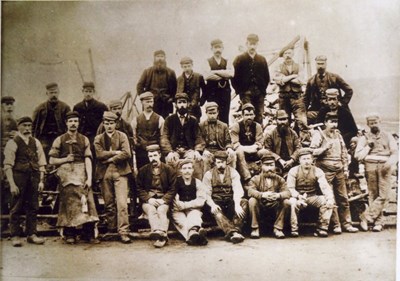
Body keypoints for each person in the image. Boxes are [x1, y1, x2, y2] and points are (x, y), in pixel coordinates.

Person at [49, 111, 99, 244]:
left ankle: (87, 233)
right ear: (66, 123)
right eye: (71, 121)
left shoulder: (84, 139)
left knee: (87, 199)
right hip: (66, 172)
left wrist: (89, 178)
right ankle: (69, 232)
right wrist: (65, 159)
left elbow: (88, 159)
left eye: (76, 121)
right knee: (69, 199)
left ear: (79, 123)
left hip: (81, 170)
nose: (73, 124)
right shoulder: (60, 139)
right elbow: (52, 160)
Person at [310, 113, 359, 234]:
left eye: (335, 122)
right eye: (331, 122)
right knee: (330, 198)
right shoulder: (319, 134)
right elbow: (312, 152)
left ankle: (347, 224)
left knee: (343, 197)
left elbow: (343, 152)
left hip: (339, 170)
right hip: (325, 171)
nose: (334, 124)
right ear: (325, 122)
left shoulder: (338, 135)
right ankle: (336, 225)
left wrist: (346, 168)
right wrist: (324, 148)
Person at [3, 116, 46, 247]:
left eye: (29, 126)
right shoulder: (13, 143)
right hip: (19, 178)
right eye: (24, 125)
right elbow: (8, 166)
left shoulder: (36, 142)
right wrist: (12, 184)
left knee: (33, 206)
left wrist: (41, 181)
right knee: (16, 206)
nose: (27, 128)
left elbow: (42, 162)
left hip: (33, 178)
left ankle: (31, 234)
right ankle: (15, 235)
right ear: (19, 127)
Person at [355, 114, 398, 232]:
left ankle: (366, 217)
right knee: (373, 194)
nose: (374, 125)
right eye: (371, 123)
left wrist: (389, 163)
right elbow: (358, 156)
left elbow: (395, 153)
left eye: (375, 122)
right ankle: (378, 223)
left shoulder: (388, 136)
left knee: (384, 194)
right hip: (370, 166)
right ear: (368, 124)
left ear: (380, 121)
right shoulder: (364, 138)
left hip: (385, 166)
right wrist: (368, 146)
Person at [94, 111, 132, 243]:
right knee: (109, 203)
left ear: (116, 124)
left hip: (120, 172)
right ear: (103, 124)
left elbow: (127, 153)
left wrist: (110, 159)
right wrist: (116, 152)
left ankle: (123, 231)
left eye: (111, 123)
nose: (109, 126)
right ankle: (111, 230)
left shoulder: (122, 136)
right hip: (104, 174)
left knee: (122, 204)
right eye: (106, 123)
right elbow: (99, 154)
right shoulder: (98, 138)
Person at [287, 148, 335, 237]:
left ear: (312, 160)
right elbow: (290, 188)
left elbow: (324, 186)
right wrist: (298, 196)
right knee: (292, 203)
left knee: (326, 201)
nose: (306, 161)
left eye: (308, 159)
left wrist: (329, 198)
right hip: (298, 197)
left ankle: (322, 228)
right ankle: (294, 229)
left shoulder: (317, 170)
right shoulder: (293, 171)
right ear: (299, 161)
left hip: (312, 196)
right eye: (304, 159)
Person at [203, 151, 248, 244]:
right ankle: (234, 232)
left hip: (229, 201)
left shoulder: (233, 172)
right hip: (216, 202)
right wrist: (212, 205)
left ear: (226, 161)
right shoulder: (208, 174)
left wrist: (237, 205)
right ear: (215, 162)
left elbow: (237, 189)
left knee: (244, 202)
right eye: (218, 162)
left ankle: (233, 228)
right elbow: (206, 193)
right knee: (217, 212)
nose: (221, 165)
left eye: (223, 162)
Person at [136, 145, 177, 248]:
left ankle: (160, 234)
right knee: (151, 210)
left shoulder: (169, 170)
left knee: (162, 210)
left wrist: (164, 200)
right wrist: (148, 199)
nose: (153, 158)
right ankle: (159, 232)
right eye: (150, 156)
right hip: (148, 201)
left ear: (160, 155)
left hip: (163, 199)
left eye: (155, 155)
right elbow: (139, 189)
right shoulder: (143, 170)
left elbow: (173, 189)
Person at [245, 152, 292, 239]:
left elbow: (288, 192)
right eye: (266, 165)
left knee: (286, 202)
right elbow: (250, 191)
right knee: (252, 200)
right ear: (261, 166)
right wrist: (262, 195)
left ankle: (278, 228)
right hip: (261, 205)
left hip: (275, 205)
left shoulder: (279, 179)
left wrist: (278, 195)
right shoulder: (256, 179)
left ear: (275, 166)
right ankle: (255, 228)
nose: (269, 168)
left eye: (271, 165)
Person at [160, 93, 205, 179]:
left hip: (189, 150)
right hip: (174, 150)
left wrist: (197, 151)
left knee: (195, 160)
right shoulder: (169, 120)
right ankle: (173, 187)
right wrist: (169, 151)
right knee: (170, 161)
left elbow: (198, 137)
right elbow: (164, 137)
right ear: (176, 105)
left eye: (184, 102)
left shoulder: (193, 120)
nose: (182, 105)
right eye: (179, 102)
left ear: (188, 104)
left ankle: (195, 185)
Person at [232, 34, 270, 124]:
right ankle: (247, 137)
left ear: (257, 45)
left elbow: (266, 77)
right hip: (246, 93)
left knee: (259, 115)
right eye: (250, 44)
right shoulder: (239, 59)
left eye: (254, 44)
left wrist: (262, 89)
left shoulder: (262, 59)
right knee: (248, 114)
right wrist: (240, 91)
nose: (252, 46)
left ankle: (258, 136)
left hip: (259, 92)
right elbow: (234, 77)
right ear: (246, 44)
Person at [304, 56, 353, 124]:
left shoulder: (335, 77)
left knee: (346, 122)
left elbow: (349, 90)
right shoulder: (311, 81)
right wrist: (304, 111)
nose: (320, 66)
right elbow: (306, 98)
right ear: (315, 65)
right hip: (318, 110)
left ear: (326, 64)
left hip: (334, 108)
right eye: (318, 64)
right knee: (304, 120)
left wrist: (341, 103)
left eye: (322, 64)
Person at [273, 48, 308, 139]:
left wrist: (285, 78)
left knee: (302, 121)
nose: (287, 55)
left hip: (297, 97)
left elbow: (301, 80)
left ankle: (304, 142)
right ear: (283, 55)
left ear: (292, 54)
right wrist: (293, 76)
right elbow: (278, 80)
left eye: (289, 53)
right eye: (285, 53)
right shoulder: (278, 66)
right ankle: (285, 141)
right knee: (284, 121)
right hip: (283, 98)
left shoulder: (299, 66)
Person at [172, 159, 208, 246]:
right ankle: (196, 235)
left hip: (193, 209)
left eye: (189, 168)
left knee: (195, 216)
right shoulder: (175, 182)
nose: (187, 171)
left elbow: (201, 201)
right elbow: (175, 202)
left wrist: (185, 205)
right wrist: (181, 205)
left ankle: (192, 237)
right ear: (180, 170)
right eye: (184, 168)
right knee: (182, 222)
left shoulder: (197, 183)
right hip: (178, 211)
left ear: (193, 170)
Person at [32, 82, 71, 156]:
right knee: (44, 156)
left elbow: (69, 123)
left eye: (55, 92)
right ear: (47, 93)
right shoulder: (40, 108)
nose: (53, 95)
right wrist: (35, 139)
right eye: (51, 93)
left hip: (60, 136)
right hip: (44, 138)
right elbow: (34, 125)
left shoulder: (65, 107)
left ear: (58, 92)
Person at [136, 50, 177, 118]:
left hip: (166, 103)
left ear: (165, 58)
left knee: (165, 123)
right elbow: (139, 86)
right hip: (151, 103)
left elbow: (176, 87)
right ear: (154, 58)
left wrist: (171, 98)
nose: (160, 58)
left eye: (162, 56)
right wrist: (145, 99)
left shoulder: (171, 72)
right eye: (158, 56)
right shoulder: (147, 71)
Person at [202, 39, 234, 125]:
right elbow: (206, 76)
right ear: (211, 49)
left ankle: (224, 137)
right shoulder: (207, 61)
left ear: (223, 48)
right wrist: (223, 74)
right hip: (212, 93)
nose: (217, 50)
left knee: (224, 116)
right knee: (212, 115)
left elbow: (231, 74)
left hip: (225, 93)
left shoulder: (227, 61)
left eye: (219, 47)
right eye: (215, 47)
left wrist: (214, 72)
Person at [230, 103, 263, 182]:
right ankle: (247, 178)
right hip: (242, 152)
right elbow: (235, 144)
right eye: (247, 115)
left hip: (254, 151)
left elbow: (259, 142)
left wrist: (255, 147)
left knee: (265, 152)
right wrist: (247, 149)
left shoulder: (257, 126)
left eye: (251, 114)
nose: (249, 117)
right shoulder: (236, 126)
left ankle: (265, 175)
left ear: (254, 115)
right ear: (242, 115)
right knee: (239, 152)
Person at [199, 102, 235, 173]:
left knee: (232, 155)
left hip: (220, 150)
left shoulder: (224, 125)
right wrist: (204, 150)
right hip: (208, 151)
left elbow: (228, 140)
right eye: (210, 113)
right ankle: (207, 180)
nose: (212, 116)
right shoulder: (201, 125)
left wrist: (229, 148)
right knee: (206, 159)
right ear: (206, 113)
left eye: (214, 113)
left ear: (217, 112)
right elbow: (200, 140)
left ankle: (230, 178)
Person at [131, 92, 164, 170]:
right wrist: (139, 145)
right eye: (147, 102)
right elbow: (134, 137)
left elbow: (162, 137)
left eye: (151, 101)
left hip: (155, 151)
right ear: (142, 102)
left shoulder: (160, 119)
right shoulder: (136, 120)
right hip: (142, 153)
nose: (150, 104)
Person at [264, 110, 301, 176]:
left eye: (284, 119)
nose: (282, 122)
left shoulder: (293, 133)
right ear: (276, 120)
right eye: (280, 120)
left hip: (291, 162)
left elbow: (298, 148)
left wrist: (292, 160)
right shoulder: (270, 134)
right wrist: (279, 159)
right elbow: (267, 150)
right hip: (277, 162)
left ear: (288, 120)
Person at [1, 96, 17, 228]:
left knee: (12, 187)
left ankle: (14, 220)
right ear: (2, 106)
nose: (9, 107)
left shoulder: (16, 121)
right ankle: (3, 219)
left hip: (12, 158)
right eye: (7, 104)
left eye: (11, 104)